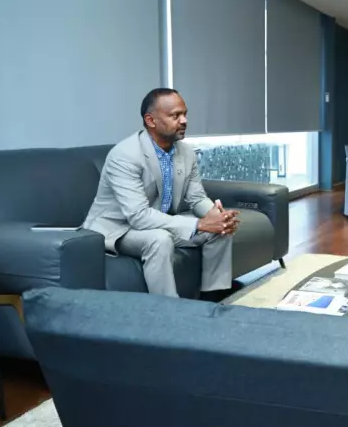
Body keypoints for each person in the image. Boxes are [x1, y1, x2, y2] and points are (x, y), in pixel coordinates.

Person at [83, 88, 241, 299]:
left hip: (159, 222)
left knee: (220, 230)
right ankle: (168, 309)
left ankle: (213, 298)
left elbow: (196, 197)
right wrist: (199, 224)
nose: (184, 121)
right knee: (159, 239)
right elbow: (138, 216)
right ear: (151, 120)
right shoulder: (125, 156)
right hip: (119, 228)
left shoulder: (186, 153)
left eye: (185, 114)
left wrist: (216, 216)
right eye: (175, 115)